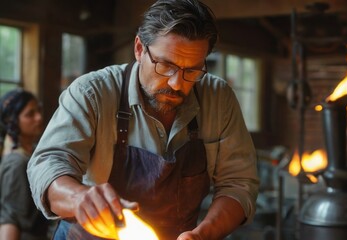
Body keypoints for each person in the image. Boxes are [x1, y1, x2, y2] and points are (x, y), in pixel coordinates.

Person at [27, 0, 259, 239]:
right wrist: (78, 198)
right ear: (139, 48)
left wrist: (204, 234)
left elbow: (238, 184)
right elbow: (49, 162)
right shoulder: (92, 92)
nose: (176, 83)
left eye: (192, 70)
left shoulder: (218, 99)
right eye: (166, 65)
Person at [0, 89, 50, 240]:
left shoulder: (32, 153)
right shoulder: (17, 163)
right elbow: (10, 218)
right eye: (30, 114)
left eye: (38, 111)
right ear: (11, 121)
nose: (39, 117)